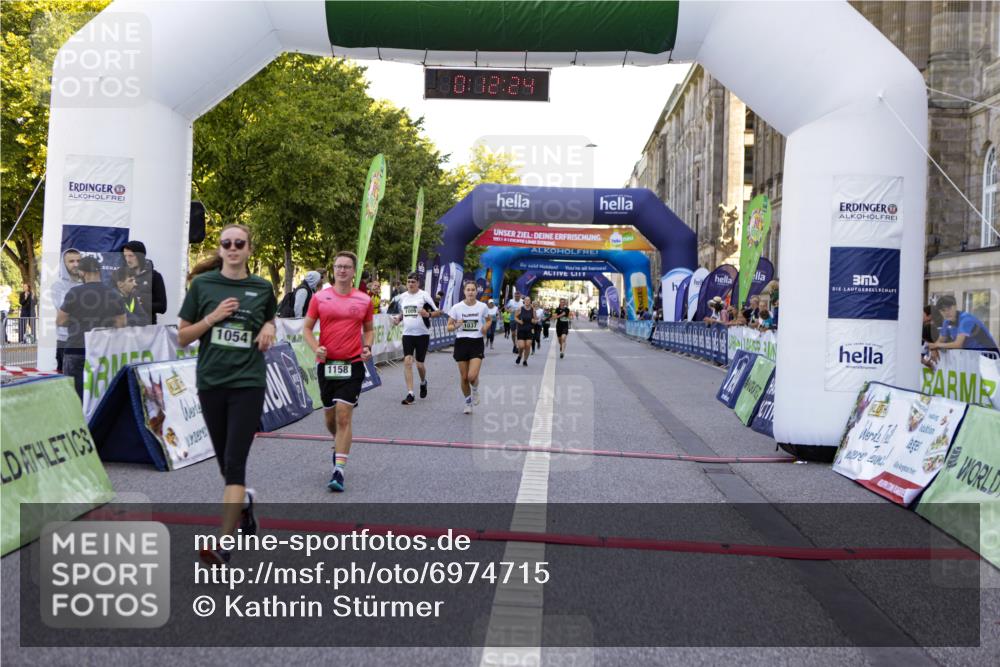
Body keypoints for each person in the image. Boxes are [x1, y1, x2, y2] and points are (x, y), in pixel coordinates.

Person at [179, 225, 276, 566]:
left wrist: (269, 327)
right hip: (211, 383)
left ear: (250, 249)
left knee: (235, 463)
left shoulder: (262, 287)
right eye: (226, 244)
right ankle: (246, 505)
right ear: (219, 250)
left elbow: (270, 319)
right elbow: (182, 337)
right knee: (225, 463)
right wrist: (213, 317)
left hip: (248, 383)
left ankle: (223, 543)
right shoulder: (203, 286)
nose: (233, 248)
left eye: (239, 243)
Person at [303, 251, 374, 492]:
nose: (342, 270)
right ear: (333, 270)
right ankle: (338, 444)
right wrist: (317, 348)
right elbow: (306, 329)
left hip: (352, 364)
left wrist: (367, 347)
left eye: (346, 267)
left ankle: (339, 470)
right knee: (330, 418)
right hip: (327, 365)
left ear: (354, 271)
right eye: (338, 266)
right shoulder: (320, 298)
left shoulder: (363, 300)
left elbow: (369, 330)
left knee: (344, 415)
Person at [57, 256, 127, 398]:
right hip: (103, 350)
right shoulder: (114, 294)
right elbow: (121, 324)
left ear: (82, 272)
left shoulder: (74, 293)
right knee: (100, 395)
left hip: (76, 349)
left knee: (74, 397)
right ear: (99, 271)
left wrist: (77, 321)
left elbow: (60, 320)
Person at [391, 272, 442, 405]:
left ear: (418, 283)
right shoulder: (402, 297)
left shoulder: (424, 295)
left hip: (422, 334)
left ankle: (423, 382)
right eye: (408, 281)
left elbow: (438, 312)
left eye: (413, 281)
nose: (410, 284)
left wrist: (428, 314)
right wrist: (398, 318)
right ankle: (410, 393)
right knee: (407, 361)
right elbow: (403, 313)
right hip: (407, 334)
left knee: (419, 364)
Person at [447, 280, 491, 414]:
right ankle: (467, 402)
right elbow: (448, 327)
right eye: (468, 290)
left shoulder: (482, 306)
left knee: (472, 376)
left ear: (476, 291)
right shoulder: (456, 307)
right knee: (464, 377)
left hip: (476, 342)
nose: (470, 292)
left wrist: (485, 327)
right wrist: (455, 325)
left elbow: (489, 320)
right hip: (461, 342)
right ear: (464, 291)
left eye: (473, 290)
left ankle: (475, 390)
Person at [929, 295, 998, 355]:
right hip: (972, 356)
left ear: (955, 307)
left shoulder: (966, 320)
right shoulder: (946, 321)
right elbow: (941, 340)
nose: (947, 312)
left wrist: (936, 345)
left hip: (988, 355)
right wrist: (933, 349)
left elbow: (958, 344)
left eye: (949, 309)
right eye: (943, 310)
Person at [52, 248, 84, 371]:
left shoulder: (86, 284)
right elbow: (64, 311)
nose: (76, 264)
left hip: (85, 341)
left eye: (78, 261)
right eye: (71, 261)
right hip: (65, 341)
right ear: (63, 264)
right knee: (65, 383)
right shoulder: (58, 286)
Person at [122, 240, 167, 325]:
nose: (128, 260)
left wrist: (142, 303)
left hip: (147, 329)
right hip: (125, 329)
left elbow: (162, 307)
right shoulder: (122, 276)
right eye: (125, 256)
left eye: (131, 256)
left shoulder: (155, 276)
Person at [514, 295, 537, 366]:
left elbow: (535, 320)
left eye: (528, 300)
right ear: (524, 301)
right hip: (521, 330)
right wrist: (519, 321)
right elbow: (515, 317)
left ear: (530, 302)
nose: (527, 301)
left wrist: (534, 321)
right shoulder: (520, 308)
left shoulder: (533, 310)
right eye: (526, 300)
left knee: (528, 345)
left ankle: (525, 360)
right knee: (521, 346)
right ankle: (520, 355)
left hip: (529, 330)